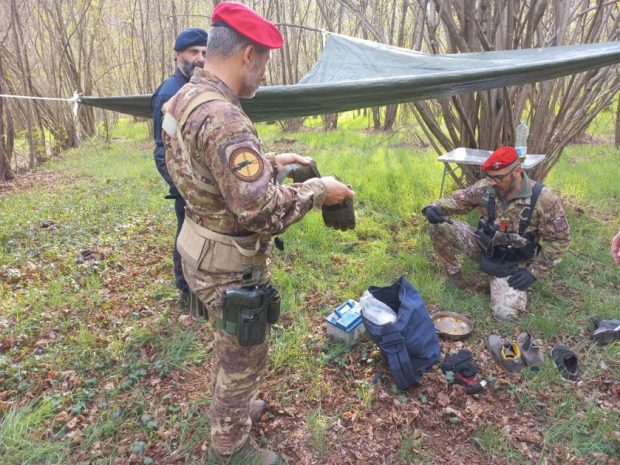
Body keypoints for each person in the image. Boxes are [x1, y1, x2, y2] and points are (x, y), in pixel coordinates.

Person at [162, 3, 355, 464]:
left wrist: (270, 163)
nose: (264, 75)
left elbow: (203, 170)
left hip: (197, 245)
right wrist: (317, 190)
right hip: (228, 264)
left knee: (230, 348)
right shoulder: (226, 118)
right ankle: (229, 449)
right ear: (247, 54)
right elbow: (260, 211)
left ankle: (233, 408)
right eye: (264, 63)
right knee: (241, 354)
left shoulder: (184, 97)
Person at [422, 146, 571, 319]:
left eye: (498, 178)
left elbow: (561, 240)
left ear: (517, 171)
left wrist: (533, 272)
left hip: (514, 263)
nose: (492, 182)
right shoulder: (487, 187)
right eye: (489, 177)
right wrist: (433, 208)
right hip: (484, 247)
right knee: (438, 226)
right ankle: (456, 278)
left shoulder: (544, 199)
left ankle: (502, 285)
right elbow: (458, 200)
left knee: (506, 313)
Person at [151, 28, 208, 309]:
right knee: (185, 234)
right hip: (186, 185)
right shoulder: (170, 93)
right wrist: (181, 186)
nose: (200, 58)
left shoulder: (199, 89)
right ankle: (185, 290)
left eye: (204, 53)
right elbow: (161, 150)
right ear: (178, 56)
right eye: (193, 52)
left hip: (202, 183)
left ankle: (201, 286)